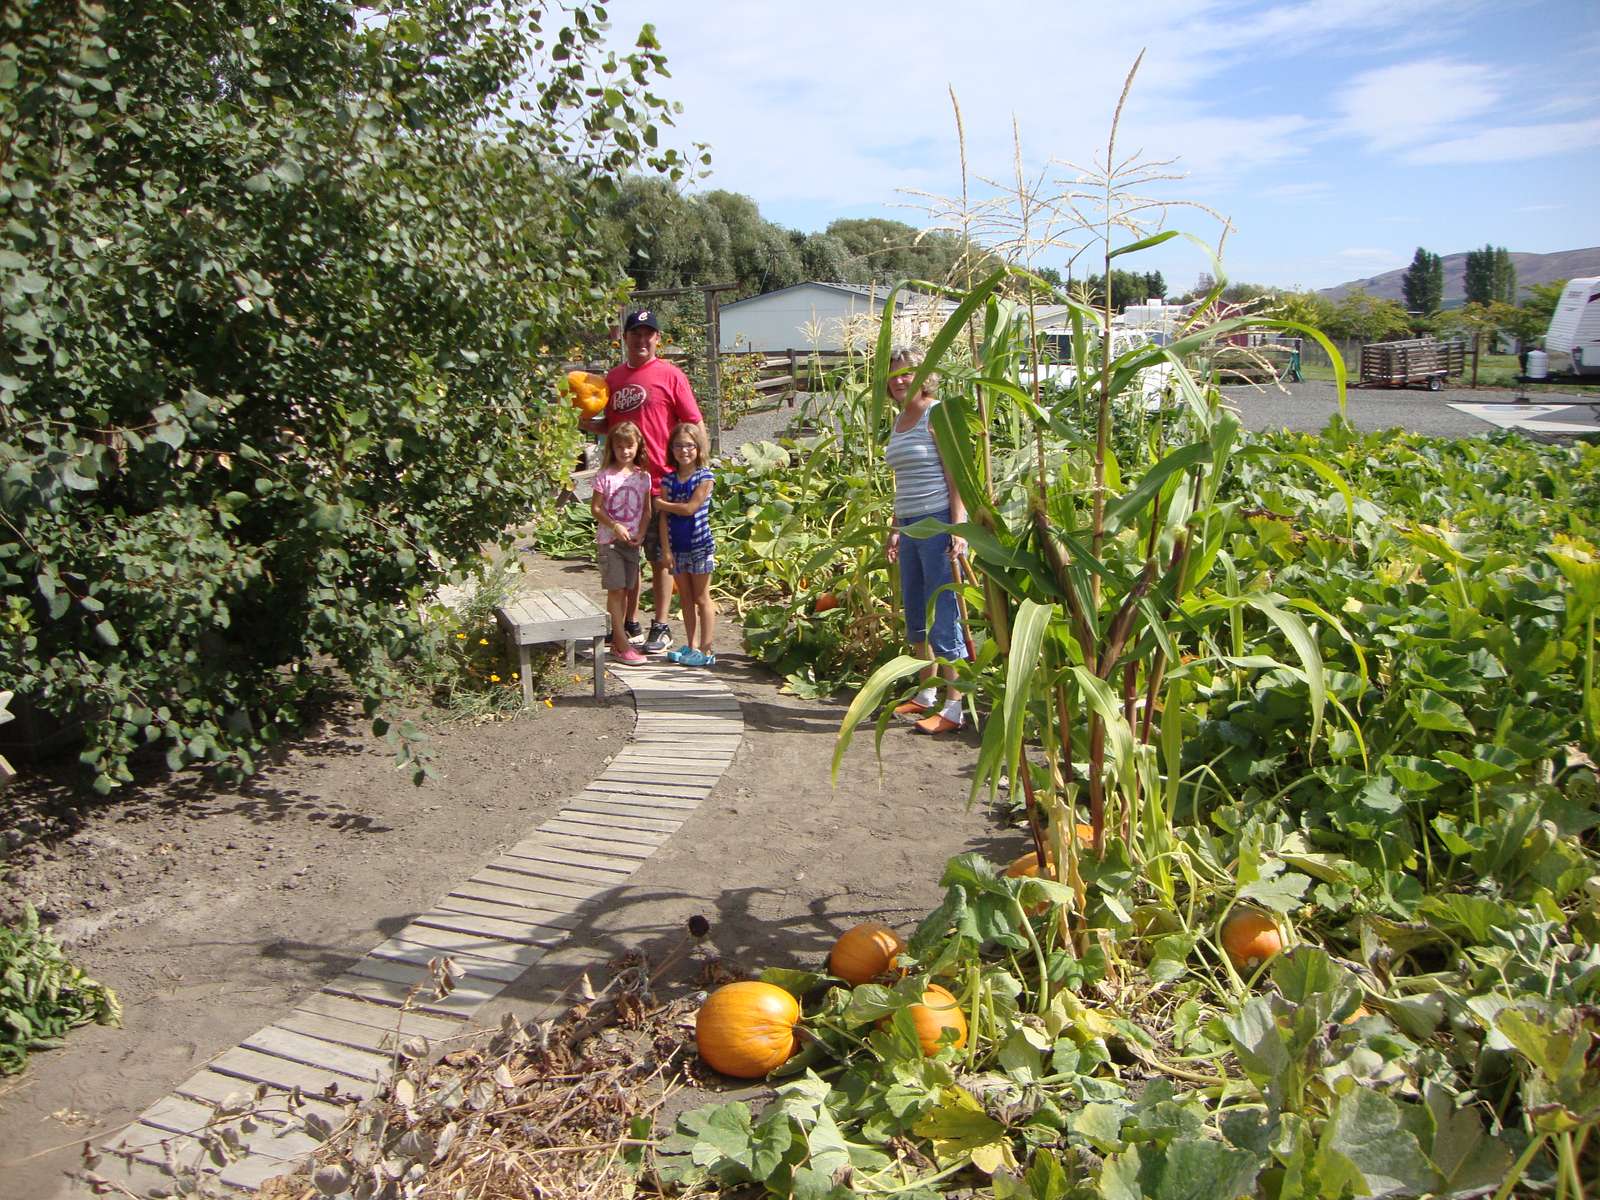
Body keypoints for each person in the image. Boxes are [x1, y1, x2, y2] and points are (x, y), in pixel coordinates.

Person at [581, 308, 704, 654]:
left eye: (648, 333)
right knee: (626, 553)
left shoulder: (670, 374)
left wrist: (697, 471)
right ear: (625, 337)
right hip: (624, 484)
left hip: (660, 480)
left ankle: (661, 626)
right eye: (635, 332)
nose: (641, 339)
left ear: (657, 339)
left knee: (660, 556)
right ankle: (629, 624)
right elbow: (612, 426)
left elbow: (692, 421)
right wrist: (586, 421)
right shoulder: (614, 377)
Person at [883, 347, 968, 735]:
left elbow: (956, 475)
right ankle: (926, 693)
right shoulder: (900, 420)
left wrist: (958, 528)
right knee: (916, 609)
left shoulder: (938, 413)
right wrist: (896, 527)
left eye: (908, 373)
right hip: (911, 524)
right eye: (895, 374)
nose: (901, 380)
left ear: (925, 376)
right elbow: (902, 482)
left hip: (937, 523)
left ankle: (954, 707)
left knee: (942, 609)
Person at [589, 423, 652, 666]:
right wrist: (615, 525)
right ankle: (620, 641)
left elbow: (646, 511)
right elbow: (595, 508)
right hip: (610, 542)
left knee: (627, 589)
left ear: (637, 447)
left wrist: (642, 533)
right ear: (611, 448)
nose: (625, 451)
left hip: (632, 543)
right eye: (619, 446)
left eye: (629, 446)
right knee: (616, 590)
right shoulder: (605, 476)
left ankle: (618, 638)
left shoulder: (642, 476)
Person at [656, 422, 717, 667]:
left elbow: (691, 508)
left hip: (700, 544)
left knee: (702, 597)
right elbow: (663, 520)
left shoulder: (705, 476)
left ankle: (707, 648)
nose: (684, 451)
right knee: (685, 598)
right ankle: (691, 645)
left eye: (689, 445)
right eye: (679, 445)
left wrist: (662, 504)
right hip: (677, 547)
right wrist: (666, 550)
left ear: (698, 448)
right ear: (672, 449)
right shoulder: (669, 480)